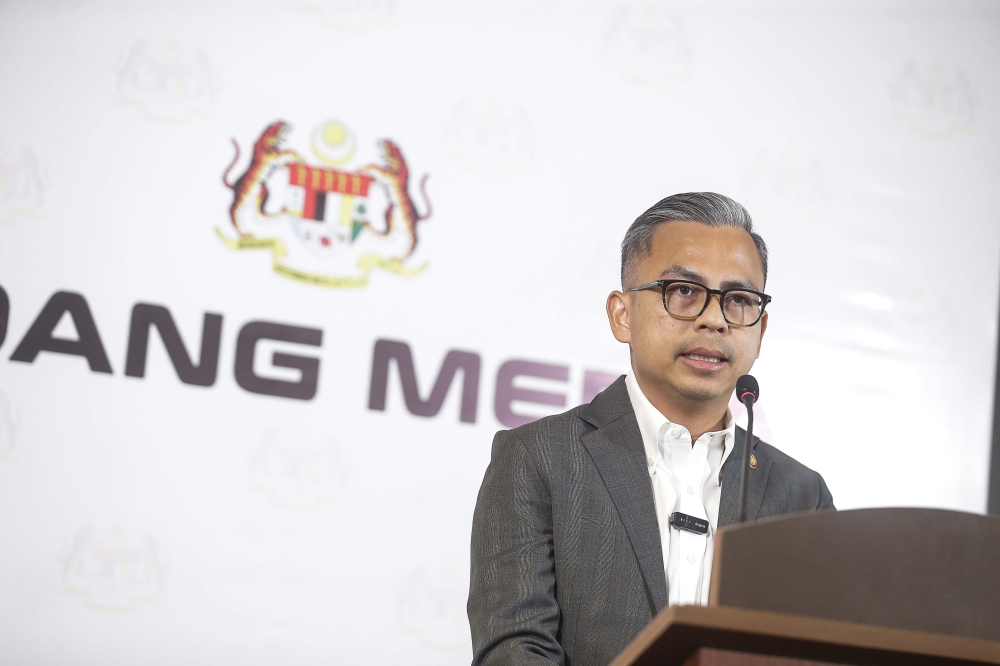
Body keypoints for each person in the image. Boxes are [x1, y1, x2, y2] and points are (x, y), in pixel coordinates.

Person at [467, 192, 834, 666]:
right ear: (623, 315)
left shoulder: (803, 497)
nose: (714, 319)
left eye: (738, 300)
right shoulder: (538, 459)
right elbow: (514, 652)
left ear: (760, 332)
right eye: (683, 291)